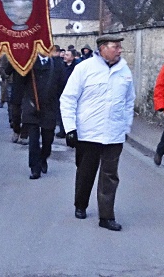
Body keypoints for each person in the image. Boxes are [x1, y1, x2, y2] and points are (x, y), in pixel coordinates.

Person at [60, 34, 135, 231]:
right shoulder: (85, 69)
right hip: (88, 131)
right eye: (115, 46)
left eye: (120, 46)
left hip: (113, 132)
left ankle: (106, 216)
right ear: (102, 48)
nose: (119, 50)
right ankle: (80, 204)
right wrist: (70, 128)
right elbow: (68, 99)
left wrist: (126, 126)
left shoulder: (124, 71)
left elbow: (129, 101)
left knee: (110, 175)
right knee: (86, 171)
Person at [13, 52, 65, 179]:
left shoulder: (57, 64)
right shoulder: (28, 63)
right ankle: (34, 168)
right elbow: (18, 81)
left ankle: (43, 157)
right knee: (33, 141)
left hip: (49, 107)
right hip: (31, 107)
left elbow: (62, 86)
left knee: (48, 139)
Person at [56, 49, 77, 138]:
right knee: (62, 112)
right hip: (61, 92)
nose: (65, 56)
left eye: (67, 55)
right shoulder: (61, 66)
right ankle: (62, 131)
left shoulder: (76, 67)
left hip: (73, 93)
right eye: (65, 55)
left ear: (72, 57)